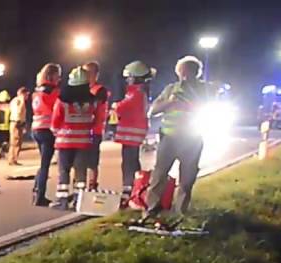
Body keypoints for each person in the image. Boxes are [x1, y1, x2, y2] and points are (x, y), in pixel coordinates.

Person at [143, 56, 215, 222]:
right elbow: (153, 110)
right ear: (178, 72)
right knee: (159, 175)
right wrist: (169, 102)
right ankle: (151, 210)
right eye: (183, 71)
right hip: (169, 138)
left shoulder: (205, 90)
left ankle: (180, 213)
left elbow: (210, 107)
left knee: (187, 178)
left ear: (196, 73)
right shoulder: (171, 89)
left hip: (192, 139)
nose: (185, 74)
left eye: (189, 71)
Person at [50, 66, 95, 210]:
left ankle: (62, 200)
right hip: (84, 142)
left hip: (65, 142)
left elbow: (55, 121)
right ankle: (78, 201)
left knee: (64, 171)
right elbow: (95, 120)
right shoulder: (92, 101)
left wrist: (56, 132)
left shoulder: (62, 101)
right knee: (80, 173)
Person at [115, 61, 154, 197]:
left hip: (131, 134)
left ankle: (129, 190)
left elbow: (122, 107)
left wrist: (115, 106)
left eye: (129, 77)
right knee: (132, 162)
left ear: (135, 77)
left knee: (129, 164)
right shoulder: (137, 91)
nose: (127, 80)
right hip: (132, 134)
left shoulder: (136, 93)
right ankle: (136, 189)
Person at [30, 63, 61, 206]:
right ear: (52, 75)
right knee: (45, 165)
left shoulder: (37, 91)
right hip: (47, 130)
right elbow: (58, 110)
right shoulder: (53, 91)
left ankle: (36, 191)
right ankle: (40, 196)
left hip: (36, 128)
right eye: (58, 75)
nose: (59, 78)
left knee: (43, 162)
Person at [83, 61, 111, 191]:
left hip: (95, 130)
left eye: (88, 73)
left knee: (92, 161)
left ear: (95, 74)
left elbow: (93, 107)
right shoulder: (84, 89)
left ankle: (92, 186)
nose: (85, 76)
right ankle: (81, 188)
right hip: (82, 131)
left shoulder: (100, 90)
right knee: (80, 161)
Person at [8, 87, 29, 165]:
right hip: (16, 122)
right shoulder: (19, 100)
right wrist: (19, 122)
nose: (27, 97)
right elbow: (18, 111)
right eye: (26, 94)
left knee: (17, 142)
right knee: (15, 142)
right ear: (23, 94)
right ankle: (12, 159)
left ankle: (13, 159)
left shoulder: (15, 100)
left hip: (17, 122)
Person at [0, 90, 11, 158]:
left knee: (0, 140)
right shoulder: (9, 106)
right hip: (7, 127)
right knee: (6, 140)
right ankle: (4, 150)